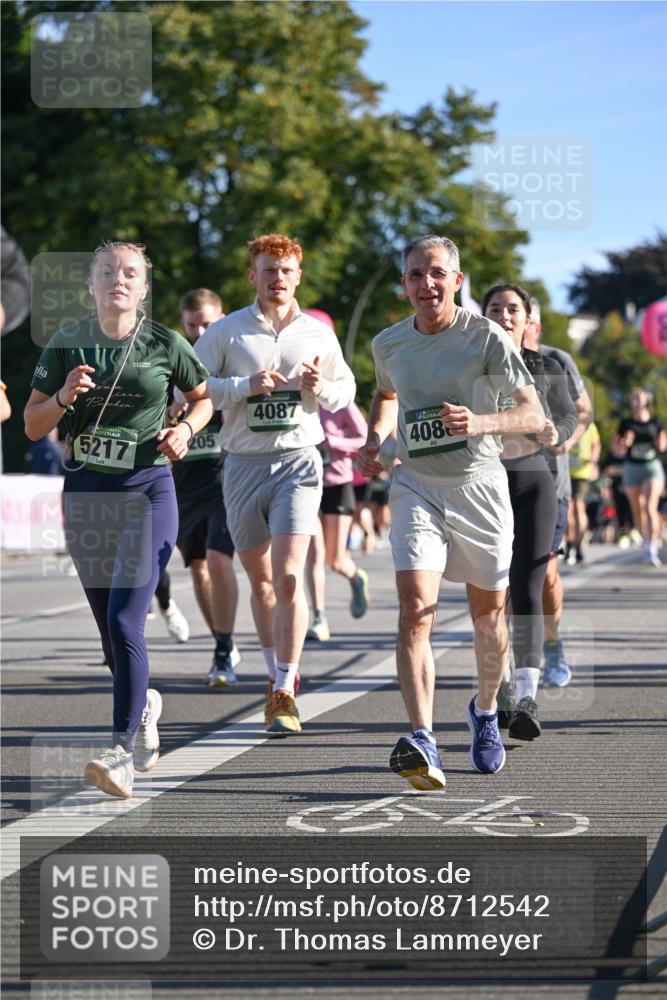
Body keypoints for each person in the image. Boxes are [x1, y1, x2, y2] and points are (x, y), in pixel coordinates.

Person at [24, 241, 213, 799]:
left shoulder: (166, 343)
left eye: (130, 273)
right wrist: (62, 396)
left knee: (128, 621)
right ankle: (145, 704)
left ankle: (120, 752)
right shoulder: (67, 342)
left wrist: (185, 429)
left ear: (144, 287)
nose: (118, 281)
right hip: (86, 497)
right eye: (107, 272)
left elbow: (204, 398)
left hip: (147, 493)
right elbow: (32, 424)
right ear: (92, 284)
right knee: (112, 637)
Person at [357, 234, 544, 790]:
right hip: (416, 485)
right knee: (415, 610)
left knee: (488, 618)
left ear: (456, 281)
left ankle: (484, 711)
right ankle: (423, 737)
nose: (427, 284)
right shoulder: (389, 343)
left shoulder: (484, 336)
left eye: (437, 273)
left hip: (479, 487)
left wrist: (479, 422)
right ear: (405, 284)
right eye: (416, 274)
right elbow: (385, 395)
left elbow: (531, 413)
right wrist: (374, 439)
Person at [194, 234, 355, 734]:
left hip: (299, 463)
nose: (277, 279)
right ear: (253, 276)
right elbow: (190, 387)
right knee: (261, 582)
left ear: (298, 277)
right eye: (268, 270)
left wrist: (320, 388)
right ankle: (272, 675)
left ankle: (286, 687)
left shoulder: (317, 334)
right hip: (243, 465)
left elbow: (345, 390)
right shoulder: (227, 332)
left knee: (288, 577)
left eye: (286, 271)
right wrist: (243, 387)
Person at [482, 284, 577, 741]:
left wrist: (555, 433)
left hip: (533, 482)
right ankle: (498, 685)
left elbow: (568, 416)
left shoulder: (546, 366)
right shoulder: (470, 363)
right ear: (483, 316)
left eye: (513, 309)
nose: (504, 315)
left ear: (527, 319)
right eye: (495, 308)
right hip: (483, 484)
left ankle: (526, 697)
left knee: (528, 587)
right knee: (491, 592)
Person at [169, 288, 241, 685]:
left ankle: (223, 649)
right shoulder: (173, 365)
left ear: (222, 320)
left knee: (218, 560)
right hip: (185, 483)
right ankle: (221, 639)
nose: (199, 333)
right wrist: (171, 411)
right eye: (192, 326)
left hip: (225, 480)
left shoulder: (233, 362)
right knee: (198, 569)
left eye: (207, 324)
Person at [522, 299, 593, 687]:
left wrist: (569, 438)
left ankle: (552, 646)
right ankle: (517, 662)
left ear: (536, 325)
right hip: (502, 481)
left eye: (522, 316)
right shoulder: (485, 359)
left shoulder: (557, 360)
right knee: (507, 579)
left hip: (551, 479)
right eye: (498, 312)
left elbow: (583, 411)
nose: (511, 321)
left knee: (546, 572)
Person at [305, 397, 370, 642]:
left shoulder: (340, 400)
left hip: (337, 484)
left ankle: (355, 577)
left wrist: (333, 442)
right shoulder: (298, 397)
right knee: (315, 554)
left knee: (335, 560)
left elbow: (365, 438)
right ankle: (319, 618)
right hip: (306, 484)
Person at [613, 388, 666, 567]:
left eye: (639, 397)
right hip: (632, 468)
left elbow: (663, 446)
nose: (635, 400)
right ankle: (646, 544)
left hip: (651, 467)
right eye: (633, 397)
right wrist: (624, 443)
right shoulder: (625, 423)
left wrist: (660, 442)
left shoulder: (655, 422)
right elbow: (617, 450)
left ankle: (652, 547)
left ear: (646, 401)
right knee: (638, 510)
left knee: (650, 506)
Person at [566, 421, 601, 564]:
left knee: (578, 507)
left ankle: (578, 544)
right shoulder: (564, 420)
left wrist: (594, 462)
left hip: (582, 472)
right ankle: (569, 544)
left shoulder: (589, 425)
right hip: (565, 471)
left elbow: (596, 444)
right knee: (568, 510)